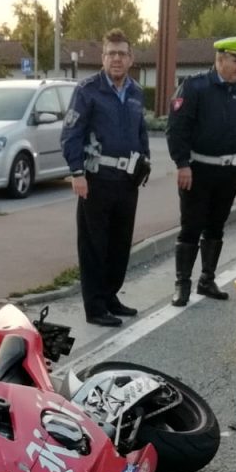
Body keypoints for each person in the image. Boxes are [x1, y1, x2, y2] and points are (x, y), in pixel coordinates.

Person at [165, 35, 236, 307]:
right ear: (220, 59)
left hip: (229, 173)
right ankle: (182, 284)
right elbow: (177, 128)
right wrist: (182, 163)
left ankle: (206, 279)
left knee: (216, 227)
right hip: (197, 171)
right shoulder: (195, 87)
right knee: (191, 226)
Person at [61, 28, 150, 327]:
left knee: (119, 245)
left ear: (130, 58)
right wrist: (77, 173)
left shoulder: (136, 92)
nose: (116, 59)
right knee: (94, 245)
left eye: (122, 53)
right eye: (111, 53)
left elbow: (140, 131)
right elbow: (70, 135)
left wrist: (145, 161)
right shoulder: (87, 91)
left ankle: (110, 296)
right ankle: (95, 307)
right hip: (96, 180)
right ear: (102, 57)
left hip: (126, 182)